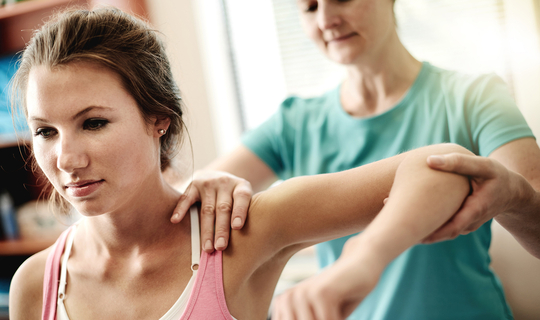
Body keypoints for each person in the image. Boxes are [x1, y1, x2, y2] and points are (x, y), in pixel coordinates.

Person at [6, 7, 505, 320]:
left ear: (158, 119)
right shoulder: (36, 285)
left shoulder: (238, 233)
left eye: (93, 122)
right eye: (45, 131)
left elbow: (450, 168)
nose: (66, 158)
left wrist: (358, 265)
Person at [171, 0, 540, 319]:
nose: (325, 20)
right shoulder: (295, 123)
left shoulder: (475, 97)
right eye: (310, 7)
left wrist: (516, 196)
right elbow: (183, 198)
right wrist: (211, 180)